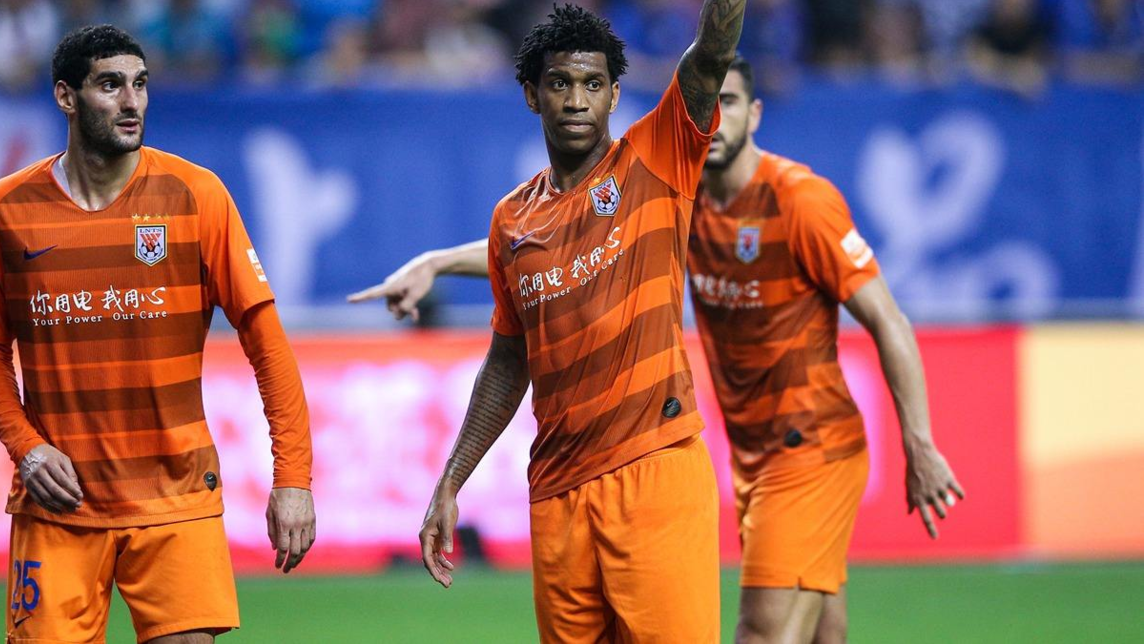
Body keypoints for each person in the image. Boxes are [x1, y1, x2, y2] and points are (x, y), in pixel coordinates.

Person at [351, 53, 962, 643]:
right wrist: (437, 262)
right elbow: (547, 253)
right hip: (750, 454)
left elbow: (889, 320)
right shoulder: (683, 203)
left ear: (755, 115)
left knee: (764, 632)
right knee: (821, 626)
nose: (716, 118)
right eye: (712, 104)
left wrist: (920, 442)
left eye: (730, 103)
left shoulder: (798, 201)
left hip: (810, 446)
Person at [355, 0, 779, 642]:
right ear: (533, 96)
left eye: (592, 83)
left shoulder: (658, 158)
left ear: (615, 94)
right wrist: (451, 480)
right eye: (559, 84)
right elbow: (508, 359)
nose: (576, 99)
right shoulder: (513, 220)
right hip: (555, 492)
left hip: (655, 473)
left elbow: (711, 48)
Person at [0, 24, 315, 644]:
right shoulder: (3, 209)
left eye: (140, 85)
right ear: (66, 96)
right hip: (60, 506)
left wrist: (294, 479)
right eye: (110, 85)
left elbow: (268, 346)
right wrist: (27, 448)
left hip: (176, 499)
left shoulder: (196, 195)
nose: (131, 102)